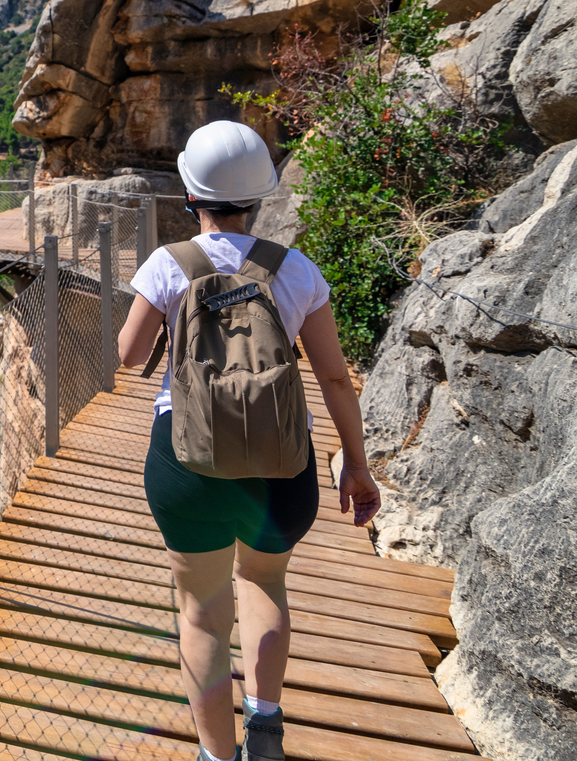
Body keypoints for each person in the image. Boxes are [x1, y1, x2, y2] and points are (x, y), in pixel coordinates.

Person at [115, 120, 382, 761]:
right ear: (259, 195)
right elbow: (335, 379)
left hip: (187, 460)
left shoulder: (168, 264)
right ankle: (264, 724)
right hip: (281, 460)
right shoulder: (297, 271)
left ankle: (216, 754)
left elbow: (128, 355)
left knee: (202, 610)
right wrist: (356, 465)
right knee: (264, 583)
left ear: (191, 193)